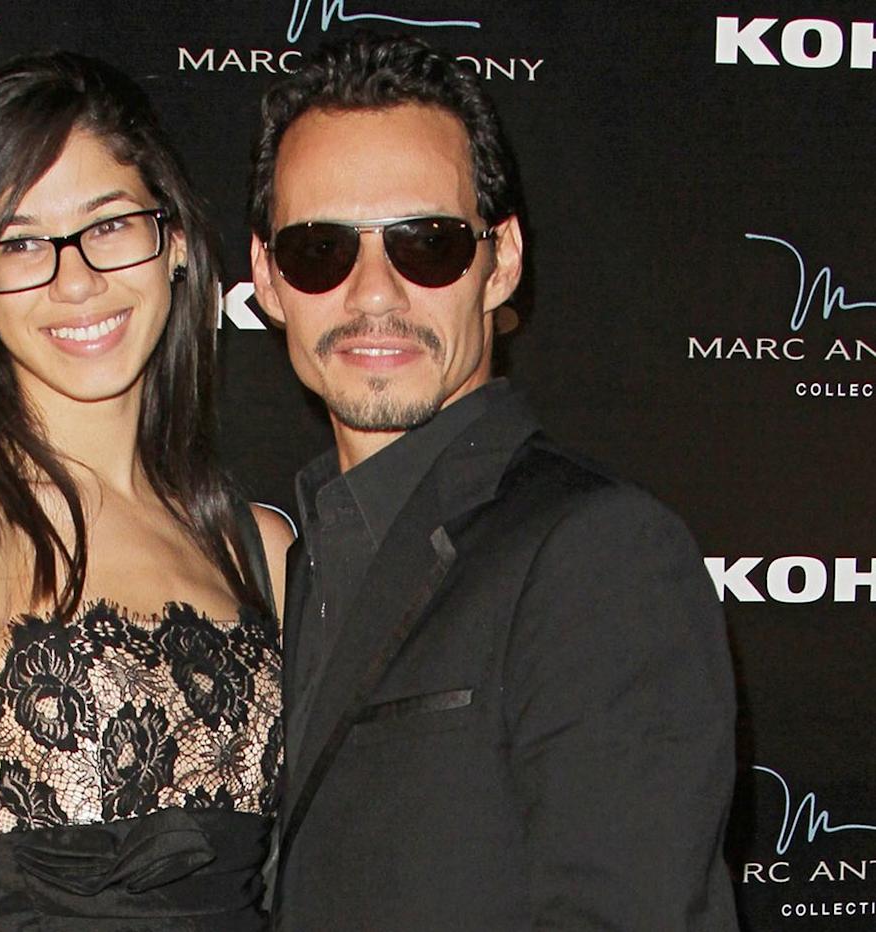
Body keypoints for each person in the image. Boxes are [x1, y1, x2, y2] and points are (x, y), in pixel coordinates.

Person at [248, 33, 739, 930]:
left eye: (426, 244)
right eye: (319, 250)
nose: (372, 293)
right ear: (267, 279)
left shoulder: (598, 554)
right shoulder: (304, 555)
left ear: (500, 261)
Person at [0, 51, 293, 931]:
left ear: (174, 242)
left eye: (111, 225)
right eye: (21, 244)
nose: (77, 279)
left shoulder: (262, 552)